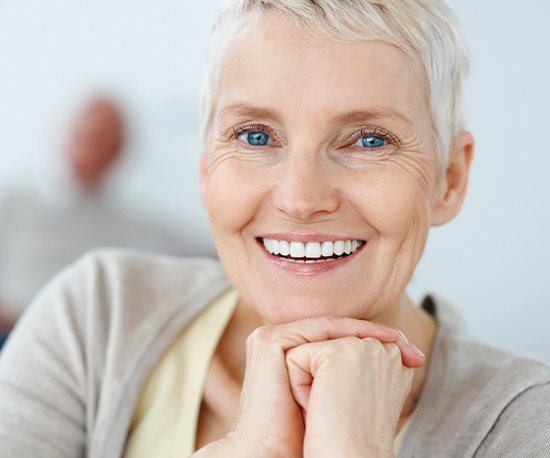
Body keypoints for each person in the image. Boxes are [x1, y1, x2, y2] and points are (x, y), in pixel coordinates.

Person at [1, 1, 549, 456]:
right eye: (256, 136)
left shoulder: (523, 423)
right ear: (206, 169)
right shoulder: (99, 316)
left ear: (449, 180)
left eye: (369, 140)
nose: (300, 199)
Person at [0, 97, 186, 332]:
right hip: (13, 327)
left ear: (119, 152)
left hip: (82, 334)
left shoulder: (127, 219)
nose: (93, 149)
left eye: (108, 143)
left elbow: (191, 248)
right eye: (89, 136)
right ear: (68, 135)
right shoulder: (15, 198)